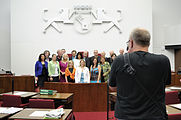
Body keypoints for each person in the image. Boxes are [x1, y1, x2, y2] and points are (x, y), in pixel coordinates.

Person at [109, 28, 171, 120]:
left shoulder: (120, 60)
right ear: (149, 43)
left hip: (126, 115)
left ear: (131, 43)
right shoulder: (163, 60)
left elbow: (113, 87)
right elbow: (165, 84)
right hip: (155, 114)